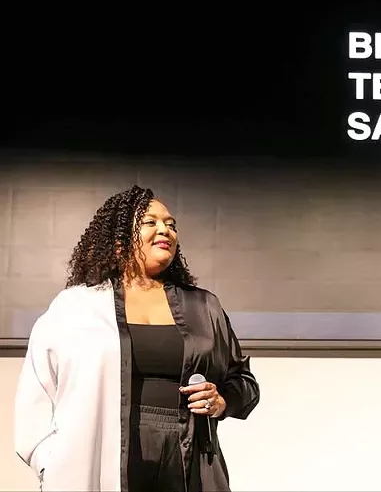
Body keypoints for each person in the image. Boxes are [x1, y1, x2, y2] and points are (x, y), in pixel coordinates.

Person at [14, 185, 260, 492]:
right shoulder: (76, 306)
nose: (165, 231)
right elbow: (37, 389)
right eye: (151, 222)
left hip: (189, 456)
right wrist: (49, 461)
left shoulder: (203, 307)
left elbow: (243, 380)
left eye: (171, 225)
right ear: (119, 241)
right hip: (104, 452)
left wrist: (222, 401)